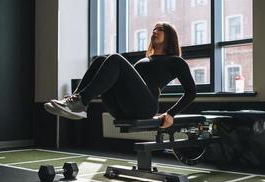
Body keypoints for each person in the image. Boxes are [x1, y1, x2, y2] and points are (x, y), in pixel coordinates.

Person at [44, 22, 196, 128]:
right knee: (100, 60)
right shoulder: (144, 60)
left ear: (169, 36)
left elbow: (191, 92)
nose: (154, 32)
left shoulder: (175, 61)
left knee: (115, 58)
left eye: (160, 29)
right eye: (153, 29)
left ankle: (80, 102)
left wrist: (171, 114)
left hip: (145, 107)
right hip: (121, 108)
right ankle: (78, 103)